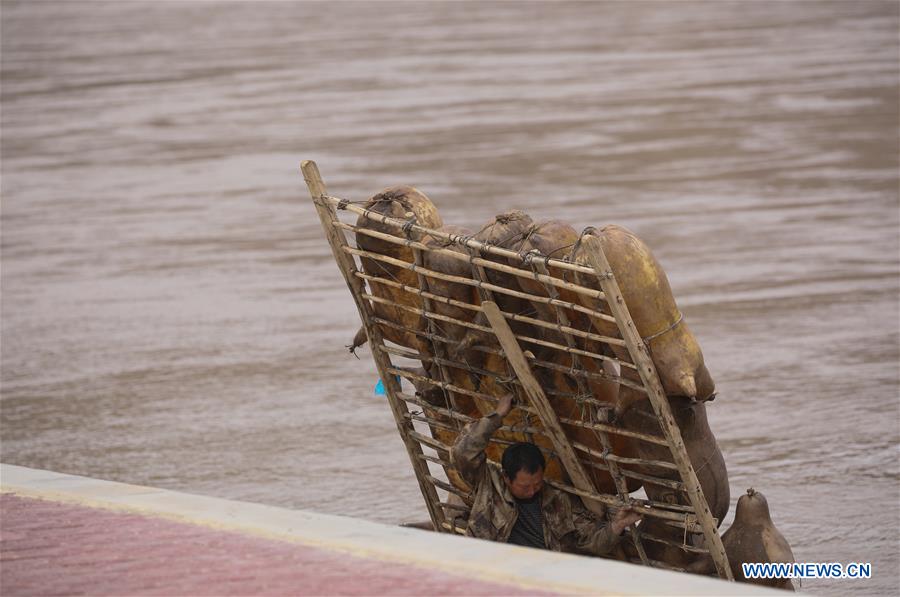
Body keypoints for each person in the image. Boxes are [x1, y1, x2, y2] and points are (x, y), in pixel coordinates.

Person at [450, 393, 643, 554]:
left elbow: (590, 542)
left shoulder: (557, 501)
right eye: (524, 487)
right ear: (506, 477)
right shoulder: (489, 484)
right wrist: (497, 415)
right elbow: (462, 452)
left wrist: (617, 526)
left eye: (537, 484)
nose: (532, 491)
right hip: (491, 570)